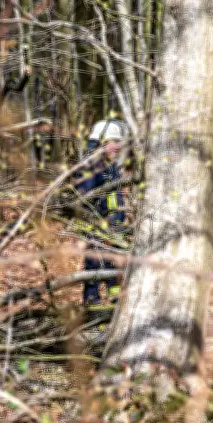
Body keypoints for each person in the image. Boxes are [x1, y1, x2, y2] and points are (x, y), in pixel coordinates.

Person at [74, 119, 129, 306]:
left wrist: (118, 222)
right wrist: (97, 227)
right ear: (102, 141)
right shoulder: (91, 165)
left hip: (113, 228)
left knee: (113, 266)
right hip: (97, 228)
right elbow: (85, 200)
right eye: (115, 141)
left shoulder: (109, 164)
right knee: (94, 265)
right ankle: (92, 305)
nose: (119, 147)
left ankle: (114, 305)